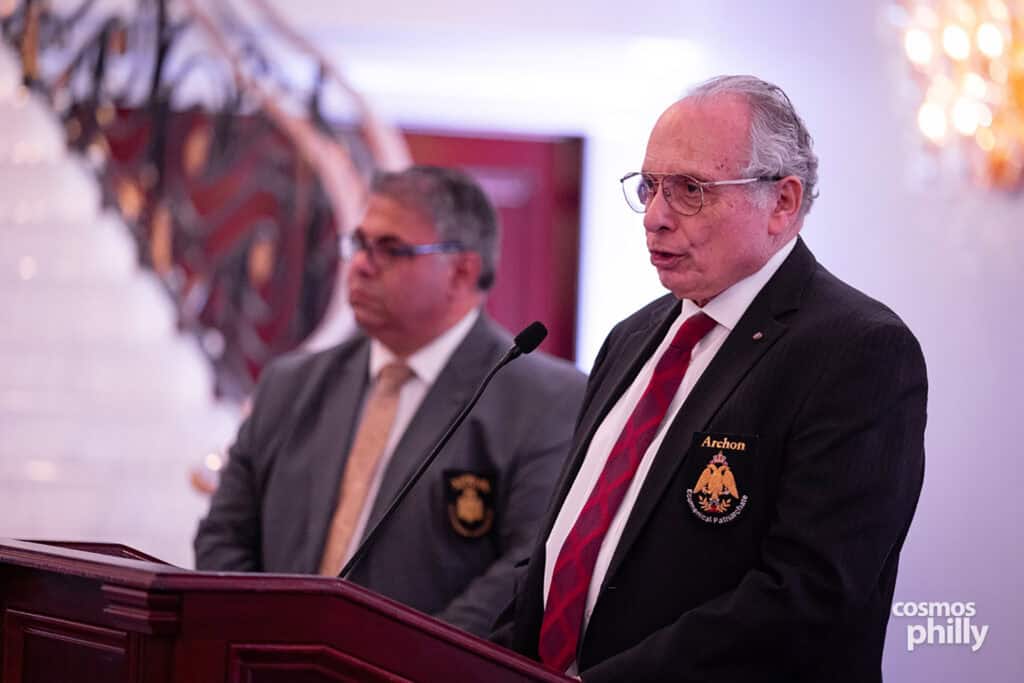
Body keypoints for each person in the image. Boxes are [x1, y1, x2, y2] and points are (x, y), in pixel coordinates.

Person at [494, 75, 928, 682]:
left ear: (782, 202)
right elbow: (564, 554)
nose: (655, 218)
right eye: (649, 187)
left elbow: (808, 597)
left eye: (690, 190)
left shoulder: (857, 349)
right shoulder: (632, 337)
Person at [195, 165, 587, 637]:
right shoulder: (291, 384)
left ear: (461, 270)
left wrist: (400, 663)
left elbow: (525, 571)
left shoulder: (547, 402)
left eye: (390, 249)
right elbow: (223, 538)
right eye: (359, 244)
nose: (360, 265)